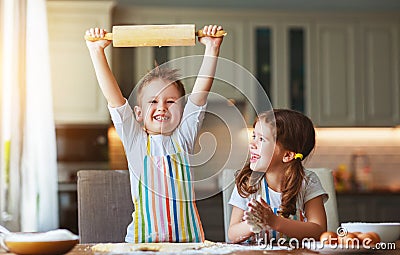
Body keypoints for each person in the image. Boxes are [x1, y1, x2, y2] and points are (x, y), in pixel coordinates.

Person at [85, 25, 224, 243]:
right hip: (141, 244)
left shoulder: (183, 138)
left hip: (188, 245)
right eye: (153, 101)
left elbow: (200, 95)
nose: (162, 107)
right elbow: (115, 99)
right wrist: (96, 51)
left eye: (170, 101)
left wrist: (212, 48)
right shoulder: (135, 141)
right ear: (138, 114)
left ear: (183, 111)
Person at [228, 109, 328, 243]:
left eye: (262, 139)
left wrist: (275, 222)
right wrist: (253, 224)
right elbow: (232, 235)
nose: (252, 144)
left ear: (287, 155)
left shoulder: (307, 181)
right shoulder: (248, 183)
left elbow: (319, 230)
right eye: (254, 137)